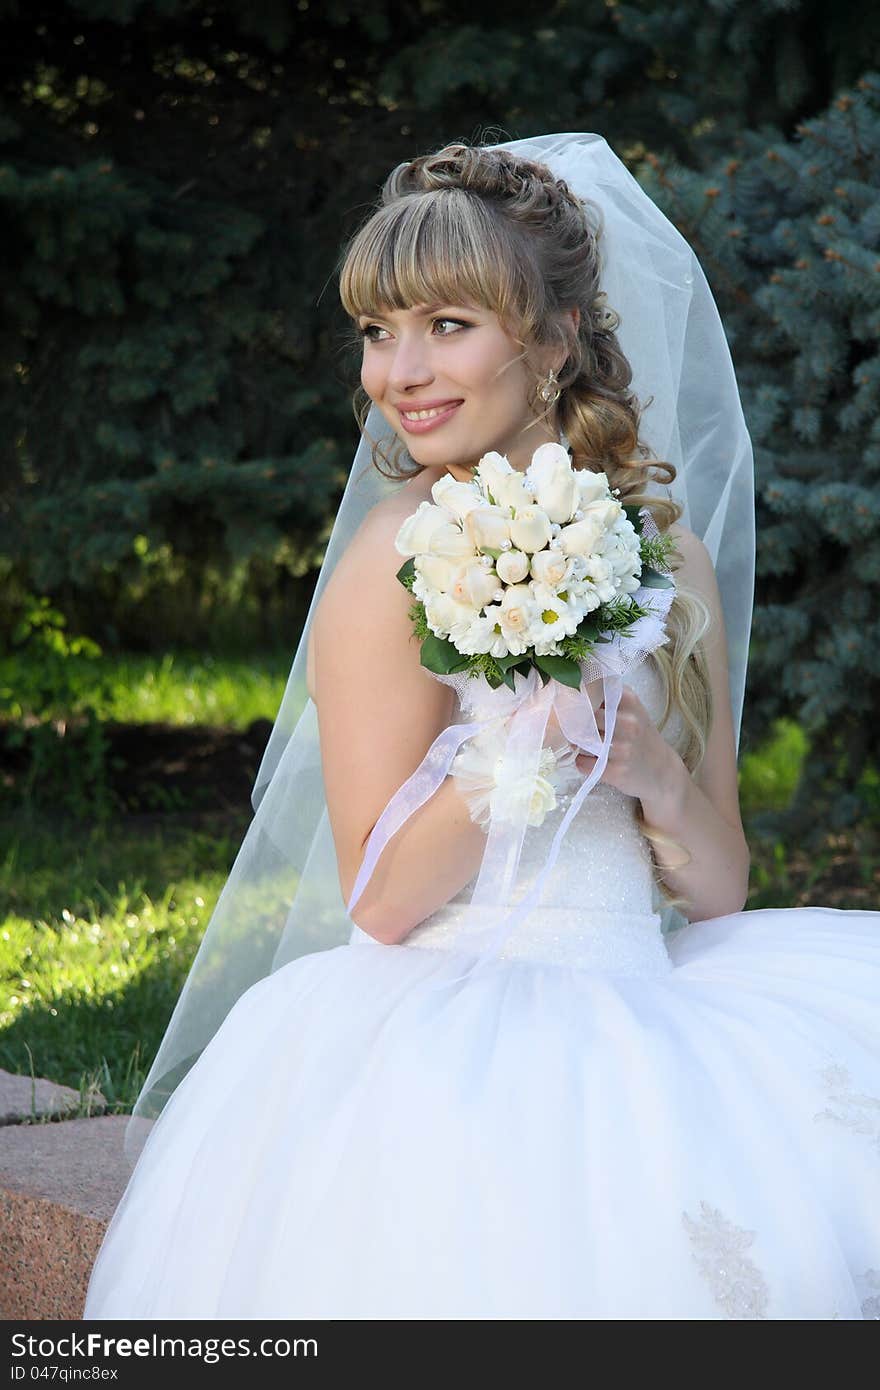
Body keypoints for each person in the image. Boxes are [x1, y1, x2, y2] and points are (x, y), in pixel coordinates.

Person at [83, 135, 880, 1321]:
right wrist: (518, 744)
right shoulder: (388, 564)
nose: (400, 369)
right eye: (376, 330)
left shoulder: (670, 563)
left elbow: (718, 890)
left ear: (553, 338)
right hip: (454, 1002)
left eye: (447, 324)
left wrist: (653, 773)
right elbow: (383, 901)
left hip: (650, 992)